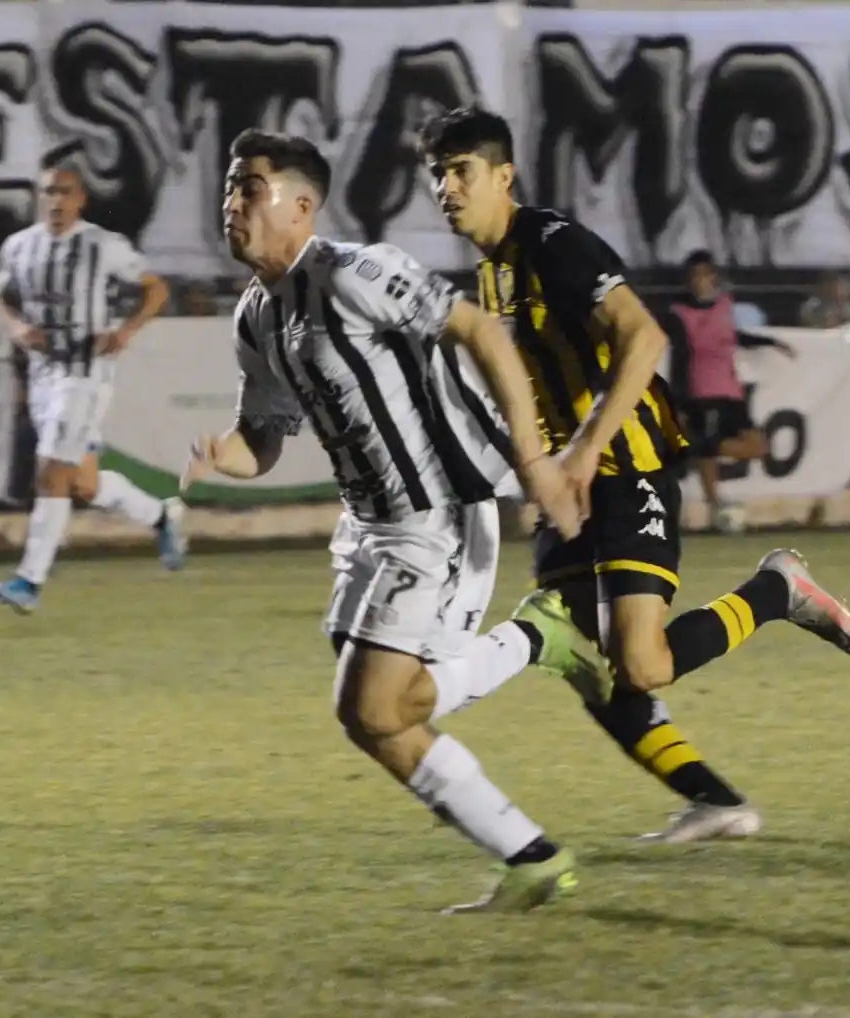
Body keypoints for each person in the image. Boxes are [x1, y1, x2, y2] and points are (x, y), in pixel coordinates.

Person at [417, 106, 850, 844]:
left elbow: (644, 334)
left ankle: (775, 590)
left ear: (504, 176)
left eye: (460, 171)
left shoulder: (553, 243)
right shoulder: (491, 270)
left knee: (642, 662)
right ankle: (715, 801)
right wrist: (540, 471)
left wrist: (586, 450)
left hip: (630, 464)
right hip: (571, 483)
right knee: (578, 655)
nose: (446, 186)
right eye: (436, 172)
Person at [183, 128, 600, 912]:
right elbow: (262, 441)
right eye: (230, 187)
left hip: (438, 513)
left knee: (373, 706)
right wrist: (220, 457)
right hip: (369, 525)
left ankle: (533, 669)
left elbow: (479, 329)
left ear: (302, 206)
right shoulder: (256, 317)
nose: (232, 203)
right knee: (389, 710)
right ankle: (532, 852)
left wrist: (537, 462)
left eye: (250, 188)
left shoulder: (356, 272)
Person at [0, 151, 181, 614]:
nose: (55, 200)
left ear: (80, 200)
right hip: (43, 376)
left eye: (64, 192)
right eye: (48, 191)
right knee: (82, 487)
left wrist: (125, 331)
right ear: (38, 197)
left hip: (86, 374)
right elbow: (1, 299)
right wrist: (17, 329)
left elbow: (157, 288)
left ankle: (28, 581)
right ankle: (161, 514)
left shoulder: (102, 245)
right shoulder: (19, 246)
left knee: (50, 472)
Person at [665, 249, 796, 533]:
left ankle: (701, 448)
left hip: (731, 391)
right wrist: (681, 402)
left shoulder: (724, 304)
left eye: (705, 274)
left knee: (757, 446)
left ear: (714, 277)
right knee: (709, 453)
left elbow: (733, 336)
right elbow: (679, 359)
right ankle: (716, 508)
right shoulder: (678, 313)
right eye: (695, 276)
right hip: (701, 392)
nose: (701, 281)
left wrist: (771, 342)